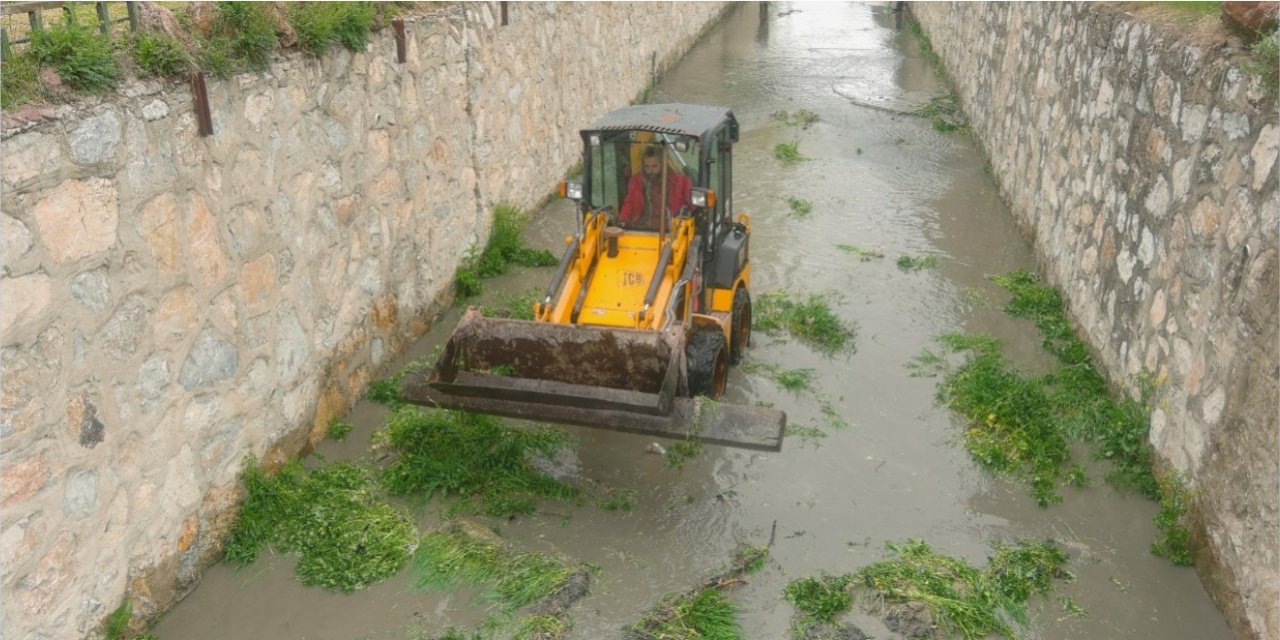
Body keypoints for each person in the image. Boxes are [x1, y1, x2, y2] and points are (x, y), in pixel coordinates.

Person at [619, 145, 692, 229]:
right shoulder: (636, 181)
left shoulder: (681, 181)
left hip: (671, 229)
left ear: (663, 164)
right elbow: (629, 203)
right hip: (642, 227)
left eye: (654, 166)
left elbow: (690, 207)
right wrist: (622, 222)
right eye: (647, 167)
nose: (650, 171)